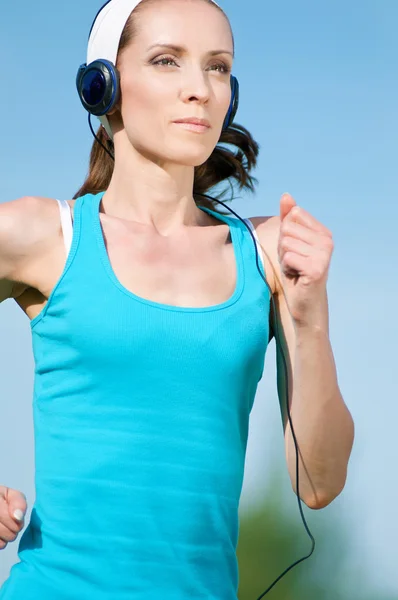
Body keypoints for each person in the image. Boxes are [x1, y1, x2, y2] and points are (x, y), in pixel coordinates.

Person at [0, 0, 355, 598]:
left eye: (218, 67)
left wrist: (309, 311)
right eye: (168, 61)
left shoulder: (267, 255)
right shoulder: (43, 237)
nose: (200, 89)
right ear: (102, 84)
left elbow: (317, 483)